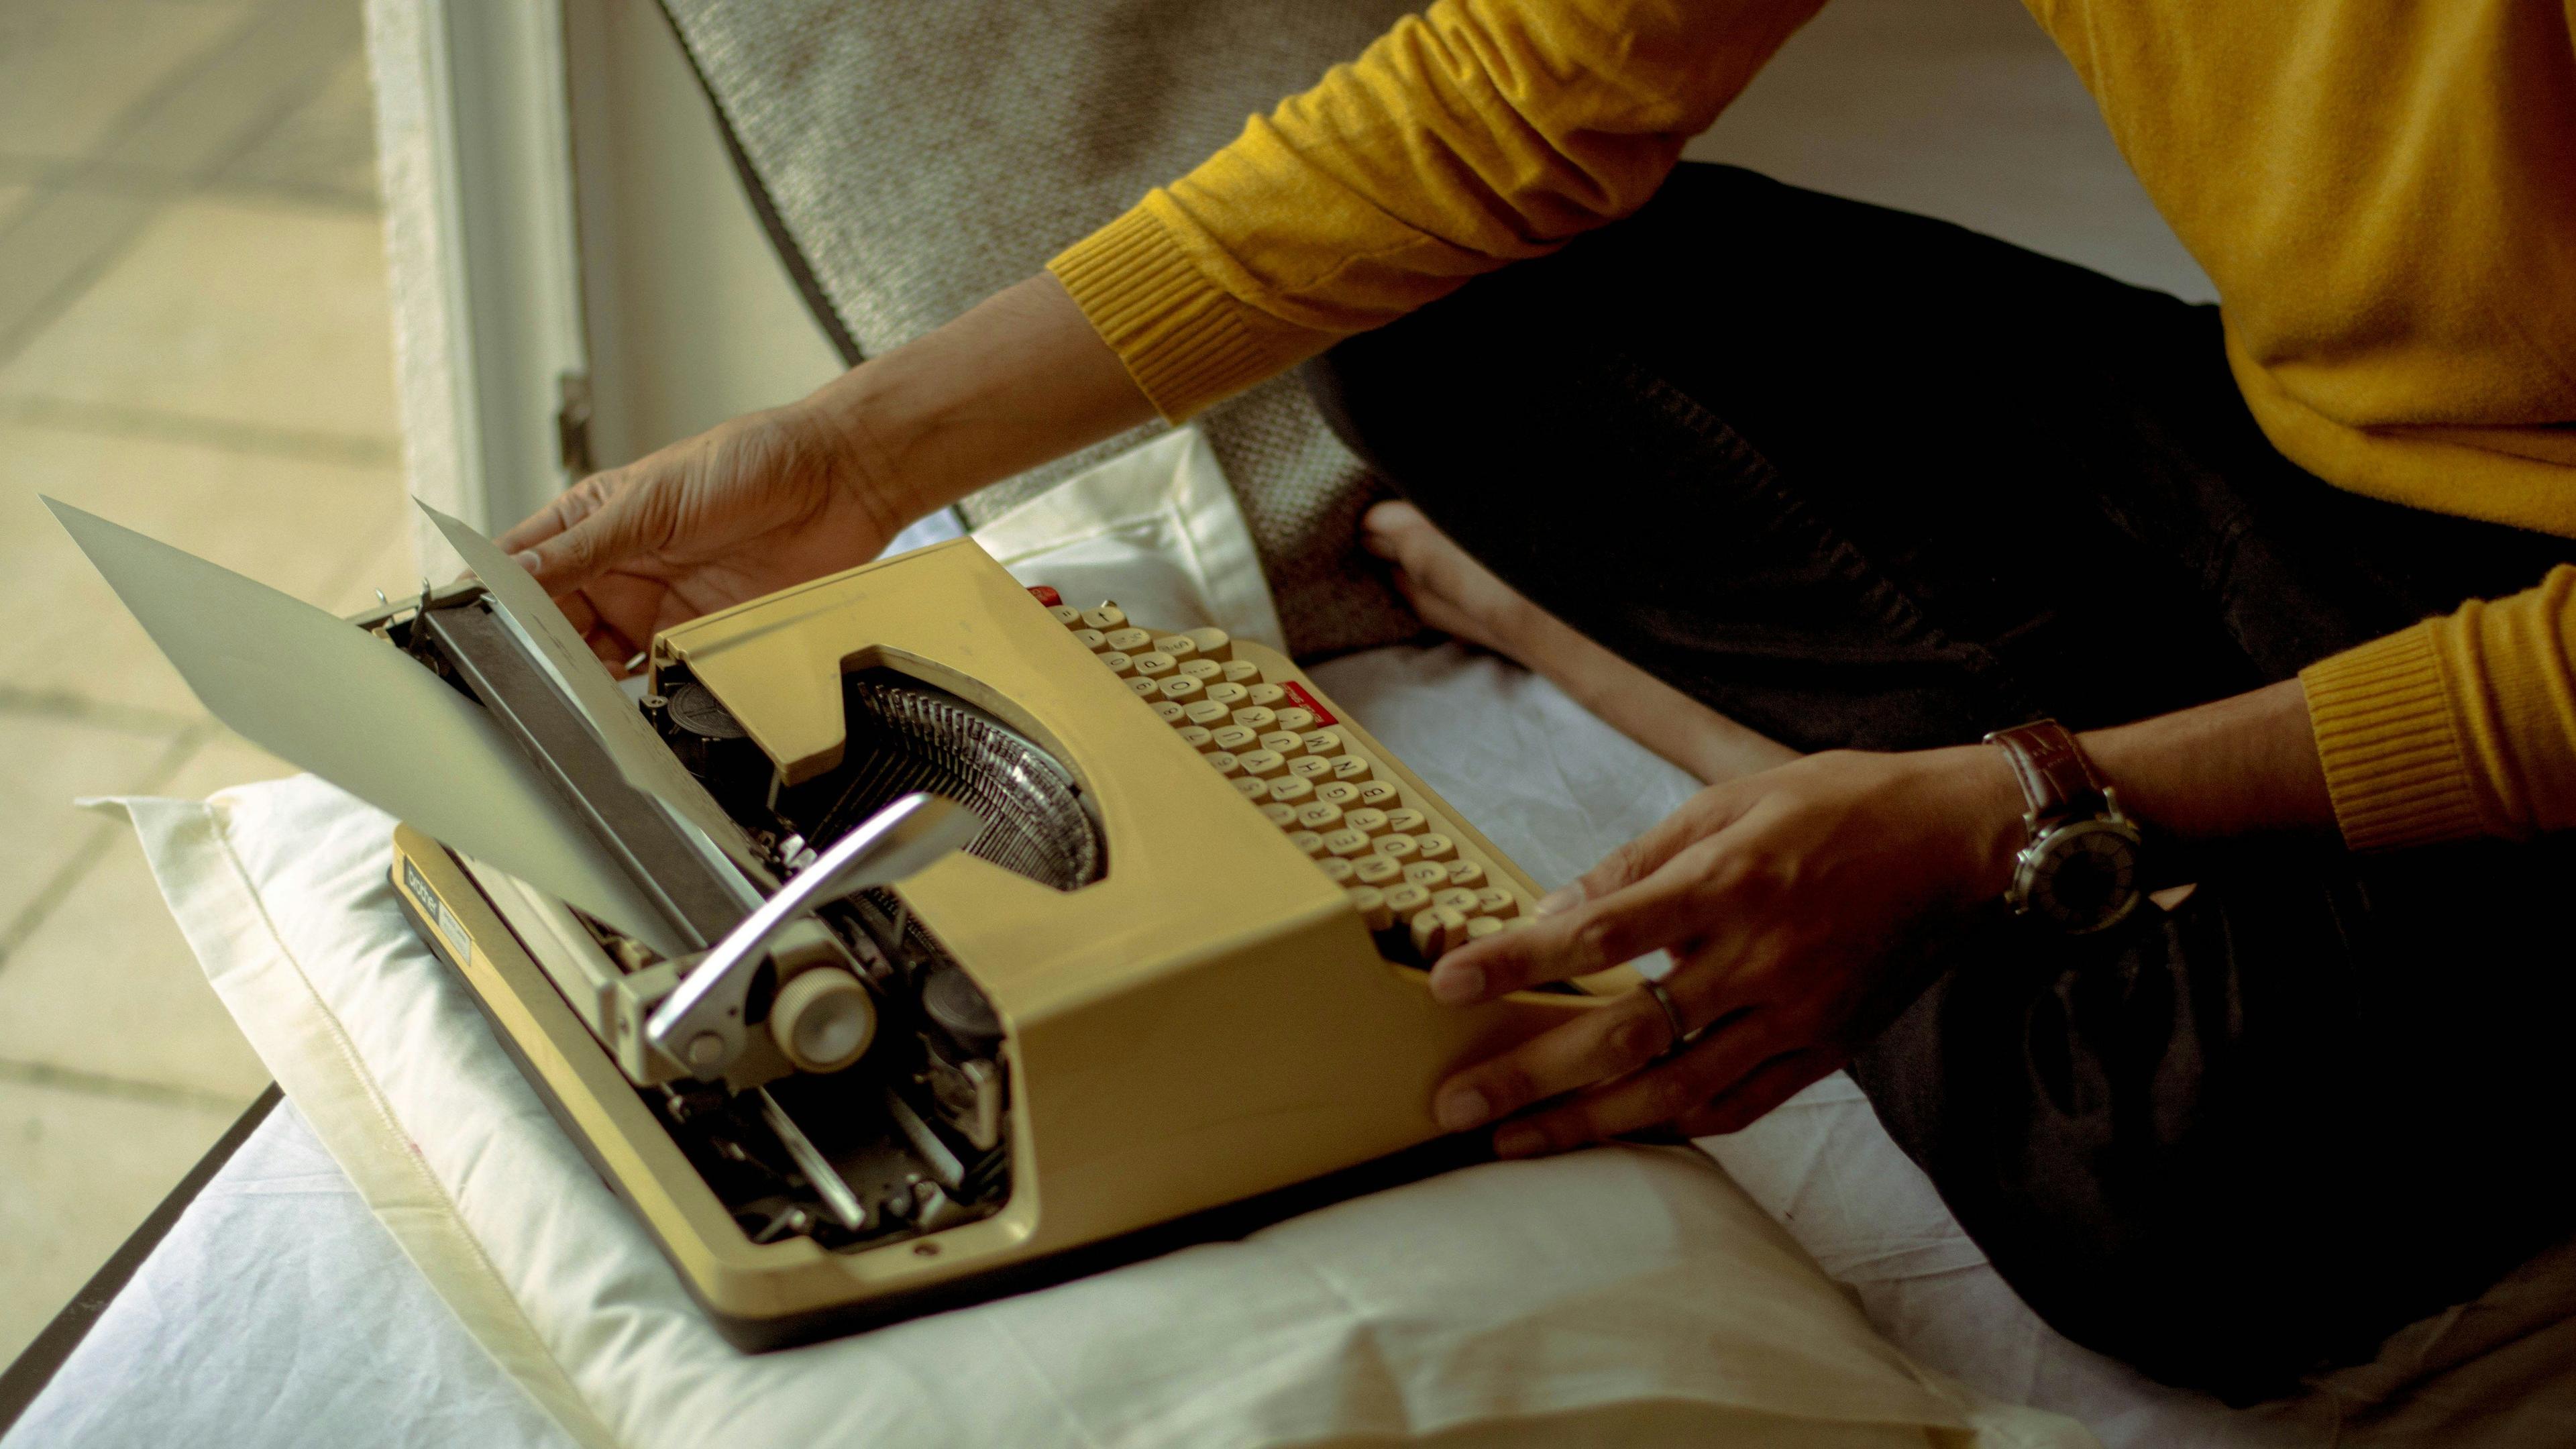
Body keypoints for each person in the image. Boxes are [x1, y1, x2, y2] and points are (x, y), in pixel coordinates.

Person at [501, 0, 2576, 1402]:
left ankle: (1858, 789)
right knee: (1452, 336)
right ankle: (2032, 840)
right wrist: (851, 460)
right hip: (2327, 451)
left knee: (2186, 1188)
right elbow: (1524, 89)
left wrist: (2014, 803)